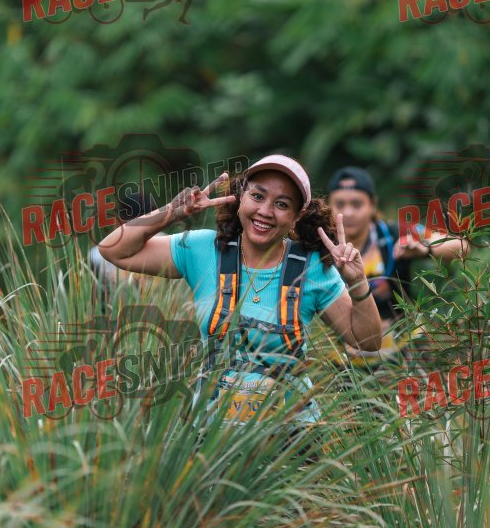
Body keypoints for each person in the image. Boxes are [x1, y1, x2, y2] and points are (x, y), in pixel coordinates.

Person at [98, 155, 382, 428]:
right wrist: (171, 213)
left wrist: (357, 282)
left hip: (293, 437)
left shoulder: (313, 268)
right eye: (257, 196)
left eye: (282, 204)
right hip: (211, 435)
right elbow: (113, 250)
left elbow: (367, 341)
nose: (265, 211)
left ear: (297, 216)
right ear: (240, 197)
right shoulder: (202, 249)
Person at [325, 166, 468, 366]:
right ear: (328, 206)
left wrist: (424, 248)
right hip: (346, 362)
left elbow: (461, 246)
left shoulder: (394, 234)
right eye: (340, 204)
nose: (348, 212)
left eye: (357, 204)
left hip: (406, 352)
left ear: (372, 205)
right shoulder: (320, 246)